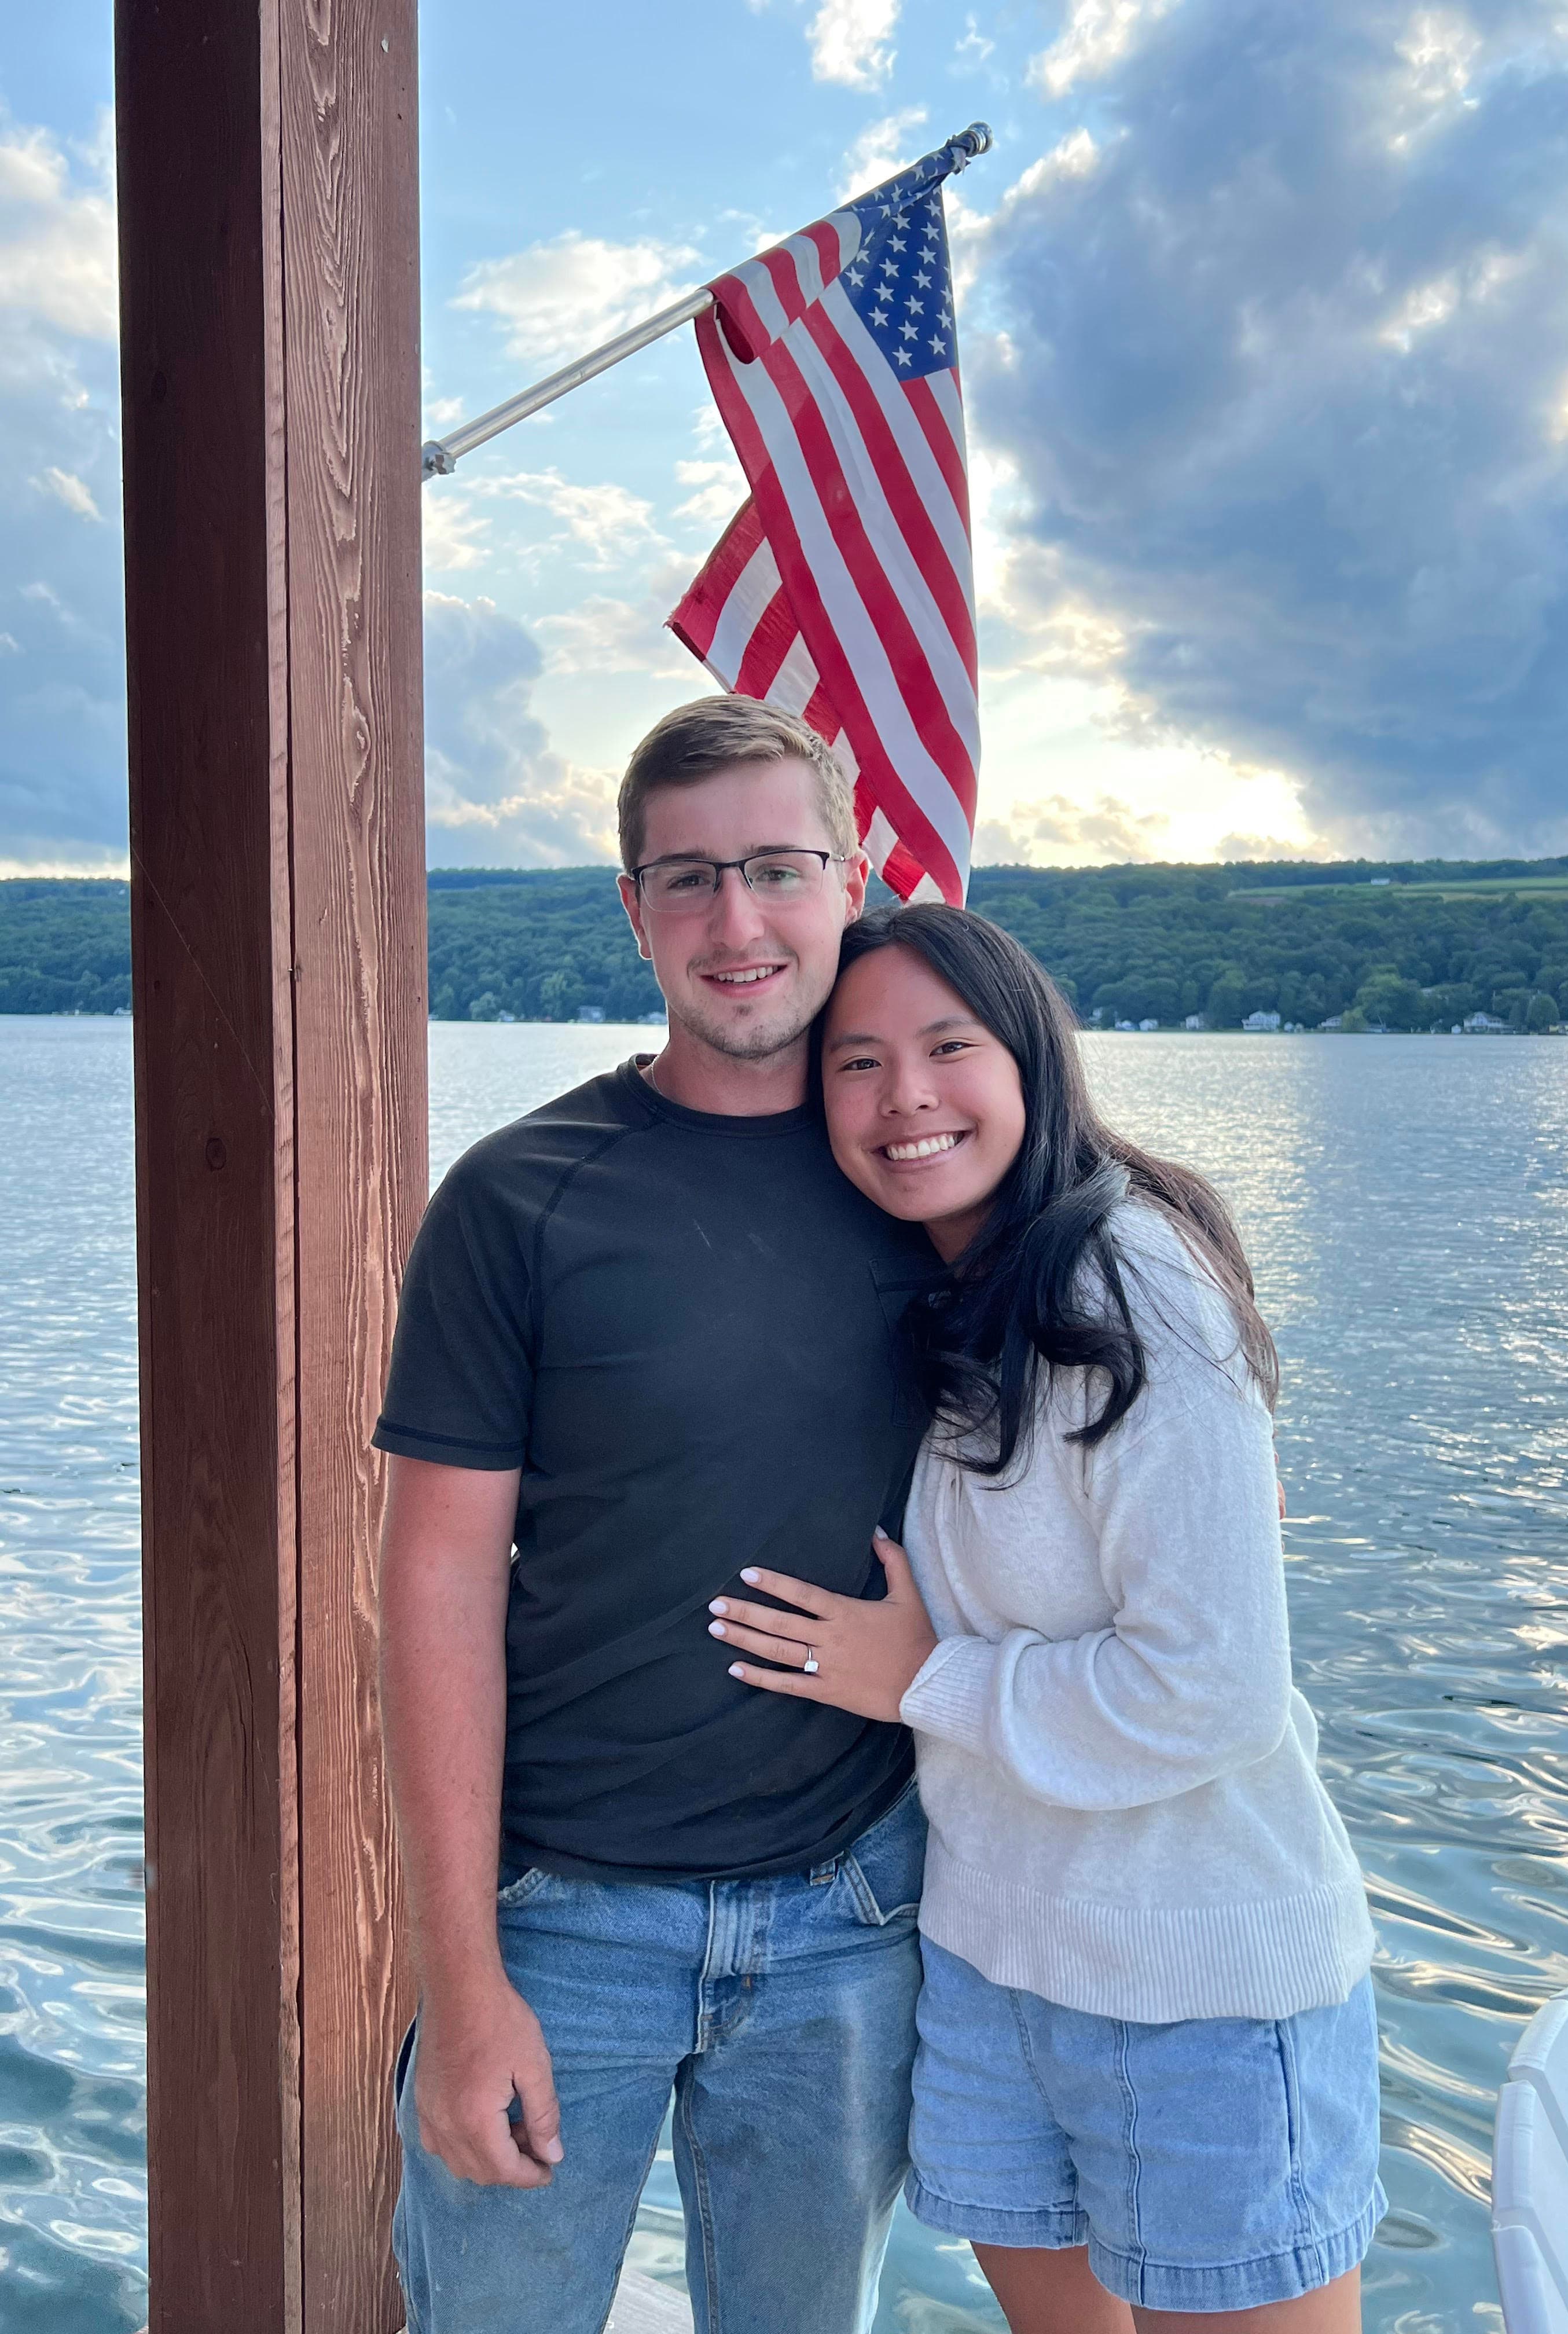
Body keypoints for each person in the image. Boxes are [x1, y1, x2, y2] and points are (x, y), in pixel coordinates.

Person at [706, 902, 1385, 2333]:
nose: (906, 1098)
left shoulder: (1131, 1281)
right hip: (993, 1959)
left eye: (949, 1046)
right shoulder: (951, 1290)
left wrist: (929, 1679)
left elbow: (1216, 1692)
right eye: (857, 1061)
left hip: (1196, 1968)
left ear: (1032, 1058)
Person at [374, 699, 941, 2334]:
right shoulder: (519, 1196)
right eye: (686, 880)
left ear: (854, 878)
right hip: (562, 1924)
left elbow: (1105, 1473)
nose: (737, 922)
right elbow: (435, 1586)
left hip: (853, 1911)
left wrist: (942, 1669)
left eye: (777, 868)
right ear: (632, 909)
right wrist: (461, 1980)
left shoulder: (935, 1176)